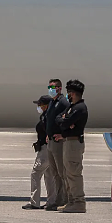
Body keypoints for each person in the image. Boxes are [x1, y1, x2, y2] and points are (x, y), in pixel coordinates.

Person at [54, 79, 88, 213]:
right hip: (68, 141)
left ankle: (79, 202)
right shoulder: (72, 107)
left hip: (74, 143)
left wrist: (65, 121)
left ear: (72, 93)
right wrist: (65, 120)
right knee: (67, 173)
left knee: (74, 173)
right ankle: (71, 201)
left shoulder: (80, 108)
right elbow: (59, 120)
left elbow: (64, 123)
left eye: (69, 93)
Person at [23, 95, 57, 210]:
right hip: (49, 148)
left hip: (45, 149)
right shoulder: (49, 115)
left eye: (40, 105)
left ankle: (34, 201)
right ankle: (52, 201)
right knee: (49, 175)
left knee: (36, 173)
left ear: (46, 105)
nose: (38, 107)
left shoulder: (47, 117)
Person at [45, 78, 70, 211]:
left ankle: (65, 199)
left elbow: (68, 119)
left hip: (59, 142)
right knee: (54, 173)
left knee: (62, 172)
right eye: (49, 87)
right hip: (51, 141)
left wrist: (63, 135)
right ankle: (58, 199)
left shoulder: (63, 103)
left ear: (60, 89)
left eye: (52, 87)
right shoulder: (52, 102)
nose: (50, 90)